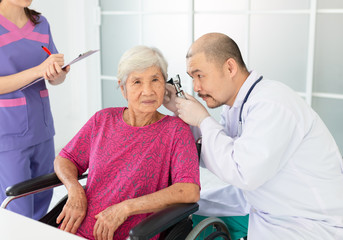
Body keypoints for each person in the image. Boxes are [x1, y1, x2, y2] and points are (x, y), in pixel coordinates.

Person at [163, 32, 343, 239]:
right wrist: (180, 110)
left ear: (230, 67)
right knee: (186, 213)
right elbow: (218, 149)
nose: (196, 87)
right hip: (266, 203)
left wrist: (203, 119)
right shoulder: (237, 107)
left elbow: (242, 172)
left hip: (306, 219)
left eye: (200, 75)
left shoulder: (272, 104)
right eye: (192, 78)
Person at [54, 45, 200, 240]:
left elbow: (189, 190)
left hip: (132, 234)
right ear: (123, 88)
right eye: (137, 82)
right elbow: (66, 158)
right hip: (75, 229)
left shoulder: (176, 131)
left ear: (164, 85)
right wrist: (75, 190)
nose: (148, 91)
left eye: (155, 80)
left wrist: (126, 208)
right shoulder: (103, 119)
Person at [0, 0, 70, 220]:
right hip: (9, 132)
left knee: (42, 201)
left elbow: (51, 76)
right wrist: (38, 71)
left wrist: (58, 75)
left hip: (42, 128)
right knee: (17, 210)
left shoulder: (40, 23)